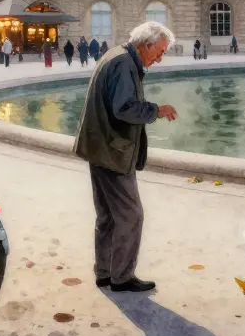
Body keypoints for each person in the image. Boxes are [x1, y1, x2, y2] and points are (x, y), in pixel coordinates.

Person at [74, 21, 178, 293]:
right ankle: (121, 276)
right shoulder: (123, 63)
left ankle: (105, 272)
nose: (160, 58)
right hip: (112, 150)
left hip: (100, 146)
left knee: (108, 215)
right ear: (147, 45)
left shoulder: (117, 55)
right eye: (160, 51)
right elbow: (124, 108)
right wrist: (157, 110)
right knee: (131, 215)